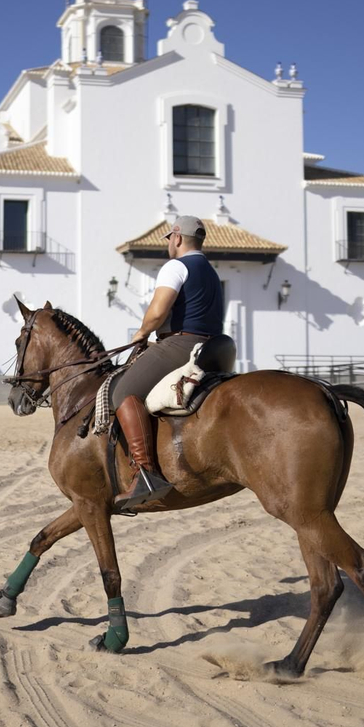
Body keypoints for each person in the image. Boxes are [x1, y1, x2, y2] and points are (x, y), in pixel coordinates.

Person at [110, 215, 225, 509]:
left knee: (122, 392)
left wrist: (141, 333)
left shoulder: (176, 266)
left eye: (169, 241)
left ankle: (145, 474)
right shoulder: (211, 271)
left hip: (182, 344)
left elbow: (158, 312)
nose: (168, 246)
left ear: (176, 237)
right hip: (213, 346)